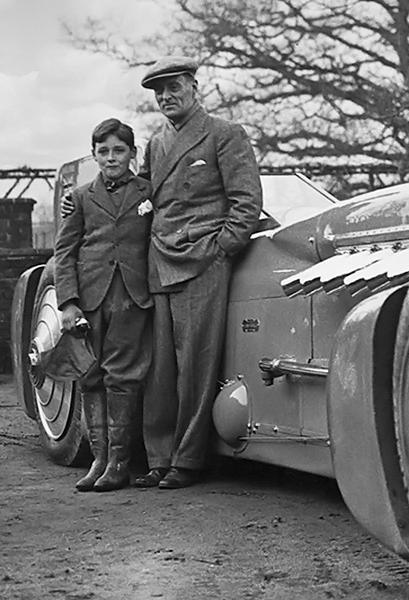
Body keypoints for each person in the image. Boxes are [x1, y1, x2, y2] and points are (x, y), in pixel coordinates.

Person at [133, 56, 263, 490]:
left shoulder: (225, 134)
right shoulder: (155, 143)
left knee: (196, 365)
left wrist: (220, 249)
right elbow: (142, 196)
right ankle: (159, 456)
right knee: (160, 369)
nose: (166, 97)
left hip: (203, 261)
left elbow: (247, 204)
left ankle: (187, 460)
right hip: (160, 258)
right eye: (159, 92)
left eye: (174, 88)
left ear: (193, 87)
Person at [54, 118, 154, 492]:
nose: (111, 158)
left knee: (123, 376)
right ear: (94, 154)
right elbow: (65, 251)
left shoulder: (149, 192)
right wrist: (68, 302)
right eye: (103, 151)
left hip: (131, 296)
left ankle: (119, 463)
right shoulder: (79, 197)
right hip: (90, 297)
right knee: (90, 374)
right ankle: (98, 459)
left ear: (131, 153)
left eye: (118, 150)